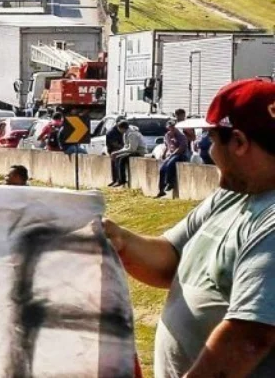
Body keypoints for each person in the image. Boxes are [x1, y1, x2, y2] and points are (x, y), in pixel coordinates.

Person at [103, 79, 275, 377]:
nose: (208, 152)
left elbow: (249, 338)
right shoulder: (234, 194)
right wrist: (119, 239)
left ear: (238, 142)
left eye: (211, 140)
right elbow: (171, 259)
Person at [157, 119, 190, 198]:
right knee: (162, 169)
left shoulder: (181, 135)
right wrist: (164, 153)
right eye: (170, 127)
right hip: (171, 154)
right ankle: (161, 190)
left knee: (171, 164)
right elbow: (167, 146)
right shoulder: (167, 135)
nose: (171, 128)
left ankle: (170, 183)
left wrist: (173, 153)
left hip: (181, 154)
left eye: (173, 127)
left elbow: (182, 147)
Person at [110, 121, 147, 187]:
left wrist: (117, 152)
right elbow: (126, 147)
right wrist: (117, 152)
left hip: (139, 151)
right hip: (132, 151)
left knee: (121, 159)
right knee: (117, 157)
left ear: (122, 128)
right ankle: (117, 179)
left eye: (119, 128)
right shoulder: (125, 134)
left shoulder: (132, 134)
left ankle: (122, 180)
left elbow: (132, 149)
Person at [106, 120, 126, 186]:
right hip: (114, 149)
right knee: (115, 164)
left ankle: (116, 180)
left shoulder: (116, 131)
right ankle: (116, 180)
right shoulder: (113, 132)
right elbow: (114, 143)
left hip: (115, 149)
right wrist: (123, 148)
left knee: (115, 164)